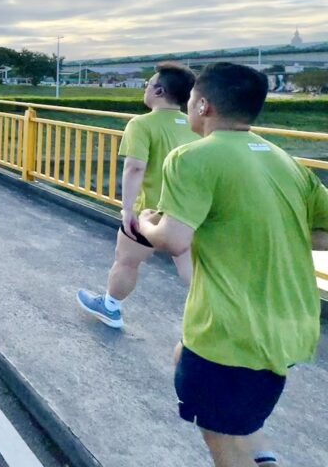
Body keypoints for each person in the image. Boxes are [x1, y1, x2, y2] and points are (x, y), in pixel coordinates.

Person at [137, 63, 328, 467]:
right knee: (201, 373)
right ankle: (260, 456)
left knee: (224, 442)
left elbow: (173, 239)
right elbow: (321, 234)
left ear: (203, 105)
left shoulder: (191, 157)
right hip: (292, 324)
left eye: (191, 99)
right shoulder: (286, 161)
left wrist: (146, 222)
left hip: (232, 332)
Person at [76, 62, 198, 329]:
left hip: (150, 211)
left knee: (127, 261)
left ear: (159, 91)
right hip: (190, 212)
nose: (145, 88)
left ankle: (111, 307)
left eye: (148, 84)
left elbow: (135, 168)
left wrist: (128, 209)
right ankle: (220, 316)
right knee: (192, 270)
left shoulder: (142, 124)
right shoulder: (195, 126)